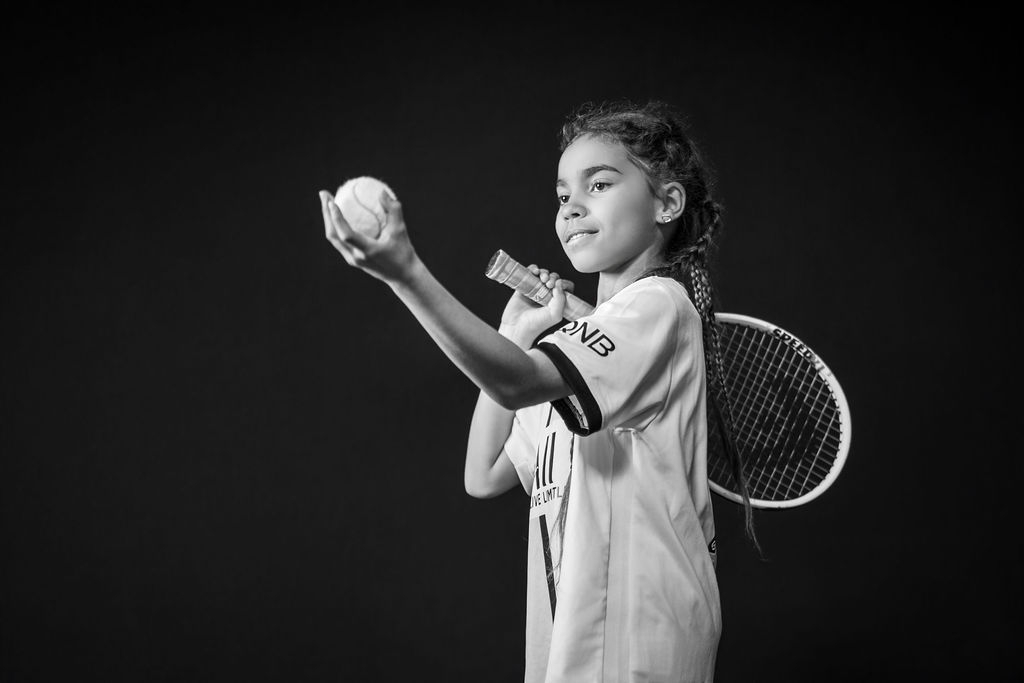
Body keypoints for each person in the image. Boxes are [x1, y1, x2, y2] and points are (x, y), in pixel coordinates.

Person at [320, 99, 756, 683]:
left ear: (667, 203)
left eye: (599, 184)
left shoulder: (659, 307)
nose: (572, 206)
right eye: (562, 194)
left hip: (639, 654)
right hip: (569, 656)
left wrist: (406, 274)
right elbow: (483, 475)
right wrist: (515, 333)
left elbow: (516, 380)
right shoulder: (581, 359)